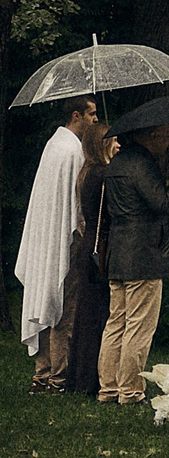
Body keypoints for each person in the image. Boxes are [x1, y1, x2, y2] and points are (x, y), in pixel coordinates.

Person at [98, 123, 169, 403]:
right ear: (151, 136)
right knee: (139, 324)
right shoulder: (141, 163)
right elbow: (161, 202)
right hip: (143, 253)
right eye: (165, 136)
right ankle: (130, 389)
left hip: (118, 249)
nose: (167, 143)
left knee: (116, 321)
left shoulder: (115, 163)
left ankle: (108, 387)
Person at [15, 95, 96, 392]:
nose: (95, 120)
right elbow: (74, 201)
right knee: (64, 302)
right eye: (92, 114)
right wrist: (82, 231)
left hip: (47, 236)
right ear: (76, 116)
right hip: (65, 237)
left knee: (47, 296)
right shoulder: (72, 150)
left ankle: (44, 370)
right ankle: (58, 374)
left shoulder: (54, 145)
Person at [65, 126, 117, 399]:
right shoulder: (102, 174)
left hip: (89, 246)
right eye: (113, 140)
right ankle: (93, 378)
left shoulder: (87, 173)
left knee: (86, 314)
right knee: (99, 314)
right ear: (103, 144)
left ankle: (80, 376)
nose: (118, 145)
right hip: (101, 247)